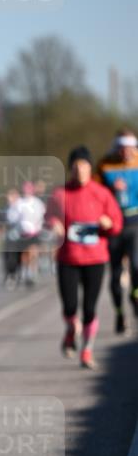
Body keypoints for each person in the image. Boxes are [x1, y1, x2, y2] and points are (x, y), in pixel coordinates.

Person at [46, 146, 122, 369]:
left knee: (90, 308)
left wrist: (108, 225)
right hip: (68, 259)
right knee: (70, 307)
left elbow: (116, 223)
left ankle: (87, 350)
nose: (80, 170)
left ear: (90, 168)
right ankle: (71, 329)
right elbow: (48, 216)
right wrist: (54, 224)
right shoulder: (60, 194)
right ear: (70, 169)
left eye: (84, 166)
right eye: (76, 166)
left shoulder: (101, 193)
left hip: (95, 258)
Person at [96, 129, 138, 333]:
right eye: (122, 148)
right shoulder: (105, 164)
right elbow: (93, 192)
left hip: (135, 222)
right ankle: (120, 312)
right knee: (115, 274)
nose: (126, 152)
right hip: (113, 224)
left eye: (129, 148)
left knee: (137, 266)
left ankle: (135, 297)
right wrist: (111, 190)